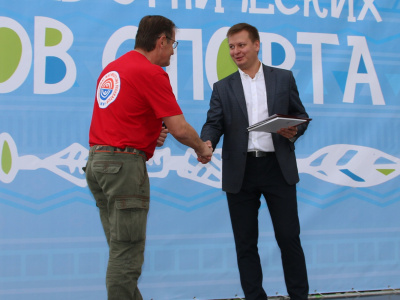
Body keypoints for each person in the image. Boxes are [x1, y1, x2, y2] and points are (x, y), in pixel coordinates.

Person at [85, 15, 212, 300]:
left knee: (121, 249)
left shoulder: (113, 69)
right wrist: (202, 149)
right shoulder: (151, 72)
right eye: (173, 44)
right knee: (127, 254)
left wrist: (148, 136)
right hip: (123, 169)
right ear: (161, 41)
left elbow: (120, 118)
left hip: (97, 164)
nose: (173, 52)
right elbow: (179, 128)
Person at [199, 23, 309, 300]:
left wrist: (294, 129)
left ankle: (299, 296)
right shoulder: (222, 88)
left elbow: (300, 115)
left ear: (257, 45)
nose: (236, 51)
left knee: (289, 239)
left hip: (277, 169)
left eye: (241, 45)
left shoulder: (283, 78)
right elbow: (213, 124)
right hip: (241, 172)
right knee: (245, 244)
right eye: (232, 46)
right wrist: (207, 142)